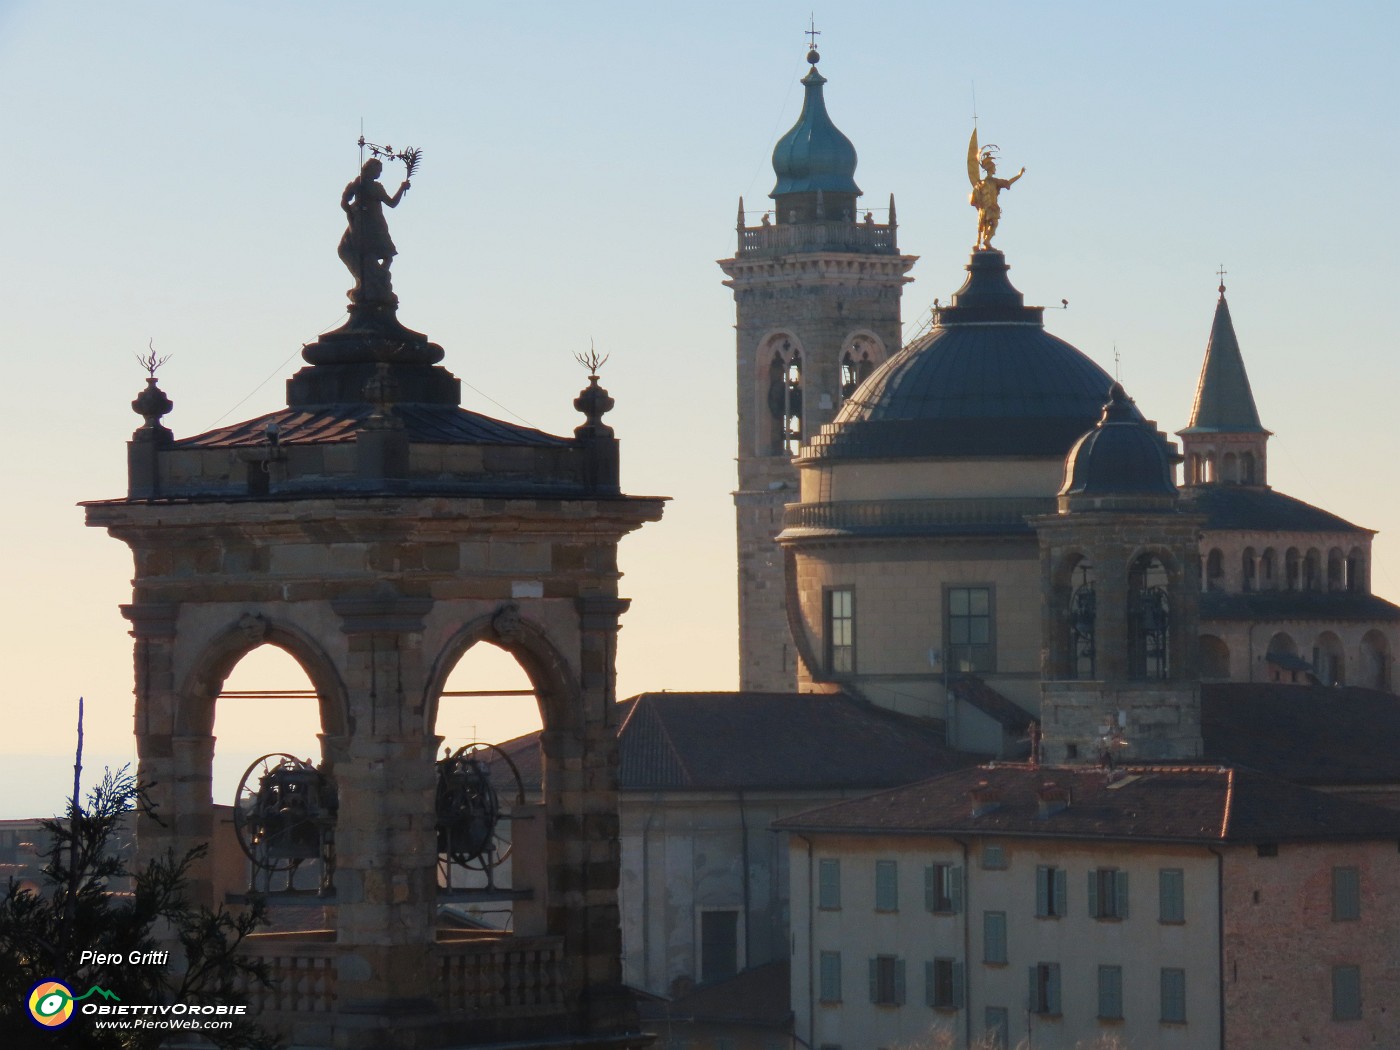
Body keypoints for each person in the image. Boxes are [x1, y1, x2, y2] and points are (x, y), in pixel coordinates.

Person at [337, 158, 411, 300]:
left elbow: (392, 203)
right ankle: (371, 281)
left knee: (387, 256)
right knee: (366, 254)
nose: (379, 174)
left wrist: (402, 188)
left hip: (375, 224)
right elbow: (345, 201)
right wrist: (351, 214)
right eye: (378, 170)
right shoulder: (360, 183)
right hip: (364, 225)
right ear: (370, 169)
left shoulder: (374, 186)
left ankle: (377, 279)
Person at [967, 137, 1024, 251]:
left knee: (983, 226)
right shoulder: (993, 182)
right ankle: (986, 240)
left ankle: (983, 242)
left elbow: (973, 201)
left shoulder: (980, 184)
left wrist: (980, 206)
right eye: (994, 167)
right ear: (991, 169)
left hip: (984, 209)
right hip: (991, 208)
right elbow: (1008, 182)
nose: (995, 169)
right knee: (994, 223)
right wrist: (1019, 175)